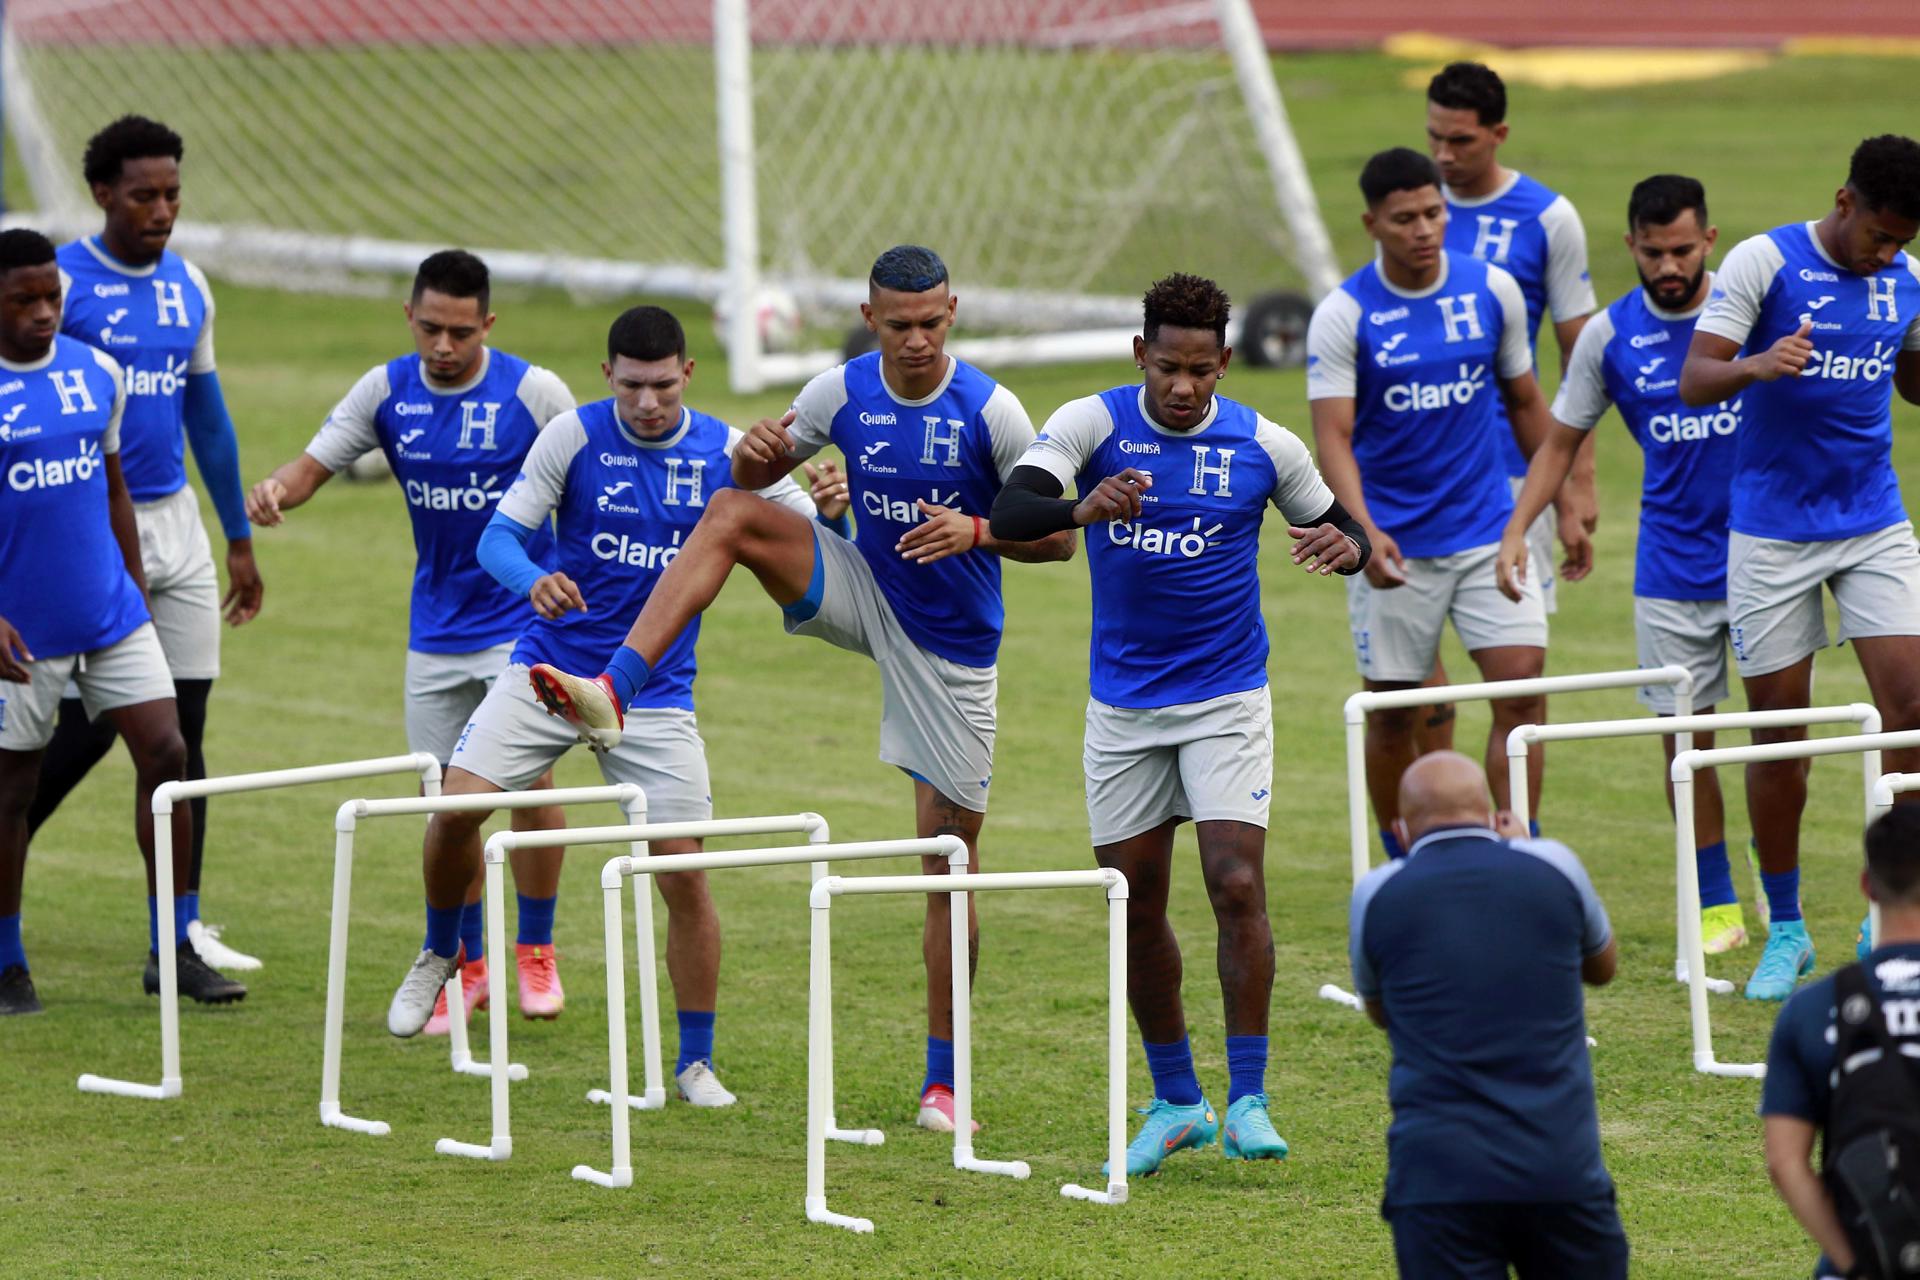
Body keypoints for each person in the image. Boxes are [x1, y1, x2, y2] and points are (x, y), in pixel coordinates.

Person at [524, 245, 1075, 1131]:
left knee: (947, 863)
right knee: (733, 515)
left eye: (933, 322)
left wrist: (975, 529)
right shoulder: (839, 392)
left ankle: (944, 1083)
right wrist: (757, 459)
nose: (918, 340)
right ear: (869, 317)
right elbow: (744, 481)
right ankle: (616, 691)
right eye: (899, 325)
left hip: (952, 652)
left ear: (954, 313)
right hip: (865, 590)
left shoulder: (993, 411)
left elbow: (1059, 539)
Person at [382, 305, 836, 1106]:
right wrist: (534, 581)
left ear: (688, 375)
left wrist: (833, 509)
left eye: (663, 385)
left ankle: (695, 1063)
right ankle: (438, 950)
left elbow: (819, 547)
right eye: (632, 385)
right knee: (455, 812)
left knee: (685, 876)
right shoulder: (574, 437)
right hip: (547, 674)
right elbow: (498, 539)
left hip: (653, 697)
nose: (649, 402)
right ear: (608, 378)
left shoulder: (731, 453)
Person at [989, 273, 1367, 1173]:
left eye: (1201, 370)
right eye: (1168, 367)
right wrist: (1083, 507)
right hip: (1122, 709)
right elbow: (1012, 511)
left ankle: (1249, 1100)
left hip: (1227, 699)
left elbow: (1343, 529)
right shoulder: (1091, 423)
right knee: (1135, 901)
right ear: (1140, 356)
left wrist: (1344, 546)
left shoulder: (1264, 445)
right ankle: (1175, 1100)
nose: (1184, 387)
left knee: (1235, 884)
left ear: (1225, 364)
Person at [247, 250, 579, 1031]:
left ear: (487, 325)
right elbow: (312, 465)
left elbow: (585, 489)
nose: (443, 345)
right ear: (409, 316)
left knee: (532, 787)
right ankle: (468, 966)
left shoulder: (535, 393)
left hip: (521, 628)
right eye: (430, 327)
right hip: (433, 632)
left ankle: (536, 951)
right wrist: (274, 492)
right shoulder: (386, 390)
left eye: (460, 331)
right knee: (447, 812)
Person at [1683, 133, 1920, 999]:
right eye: (1882, 234)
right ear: (1845, 201)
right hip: (1773, 533)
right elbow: (1695, 378)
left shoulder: (1908, 280)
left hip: (1873, 522)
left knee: (1912, 714)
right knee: (1781, 740)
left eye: (1905, 242)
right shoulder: (1763, 262)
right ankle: (1785, 929)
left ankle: (1895, 918)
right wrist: (1758, 362)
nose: (1888, 253)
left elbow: (1912, 383)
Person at [31, 115, 264, 972]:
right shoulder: (55, 285)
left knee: (183, 733)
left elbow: (205, 411)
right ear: (102, 194)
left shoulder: (189, 287)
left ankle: (181, 932)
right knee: (79, 732)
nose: (162, 210)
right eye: (144, 195)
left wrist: (237, 535)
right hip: (89, 525)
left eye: (171, 193)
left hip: (177, 527)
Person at [1498, 174, 1750, 955]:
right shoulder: (1609, 337)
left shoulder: (1750, 310)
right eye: (1652, 252)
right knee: (1685, 745)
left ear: (1710, 240)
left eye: (1682, 249)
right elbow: (1562, 440)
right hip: (1671, 567)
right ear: (1631, 248)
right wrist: (1519, 529)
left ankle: (1793, 911)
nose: (1668, 266)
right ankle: (1717, 910)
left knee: (1788, 743)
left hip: (1765, 556)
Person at [1307, 147, 1579, 861]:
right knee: (1398, 713)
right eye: (1405, 219)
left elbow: (1526, 404)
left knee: (1521, 694)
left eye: (1433, 213)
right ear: (1373, 222)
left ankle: (1523, 852)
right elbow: (1332, 437)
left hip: (1491, 532)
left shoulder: (1492, 289)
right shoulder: (1344, 313)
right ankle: (1403, 860)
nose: (1424, 229)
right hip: (1397, 549)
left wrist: (1558, 504)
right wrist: (1361, 533)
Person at [0, 227, 244, 1014]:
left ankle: (172, 945)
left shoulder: (96, 372)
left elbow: (112, 492)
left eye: (51, 297)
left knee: (168, 752)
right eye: (25, 300)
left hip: (110, 611)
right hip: (21, 629)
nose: (45, 312)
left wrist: (133, 591)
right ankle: (8, 962)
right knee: (13, 789)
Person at [1350, 751, 1627, 1278]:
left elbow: (1383, 1011)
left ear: (1401, 831)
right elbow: (1603, 967)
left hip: (1436, 1179)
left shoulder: (1375, 892)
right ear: (1493, 815)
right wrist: (1522, 849)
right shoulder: (1555, 864)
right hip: (1558, 1168)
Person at [1763, 806, 1920, 1280]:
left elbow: (1785, 1161)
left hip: (1858, 1257)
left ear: (1867, 886)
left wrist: (1856, 1262)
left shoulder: (1810, 1009)